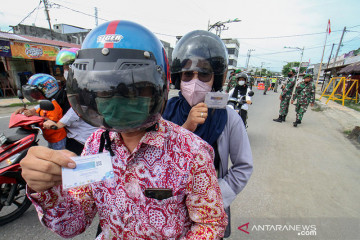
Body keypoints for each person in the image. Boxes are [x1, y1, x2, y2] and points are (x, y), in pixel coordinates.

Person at [20, 20, 227, 239]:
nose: (115, 99)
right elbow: (72, 224)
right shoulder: (95, 144)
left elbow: (210, 223)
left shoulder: (192, 152)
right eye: (103, 90)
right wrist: (46, 190)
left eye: (132, 89)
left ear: (160, 87)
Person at [162, 30, 253, 238]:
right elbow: (157, 157)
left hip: (209, 211)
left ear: (216, 79)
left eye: (203, 74)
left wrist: (213, 196)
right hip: (167, 207)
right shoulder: (166, 111)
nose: (195, 82)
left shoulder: (229, 119)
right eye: (188, 75)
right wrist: (187, 127)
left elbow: (243, 167)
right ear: (179, 78)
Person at [16, 73, 67, 150]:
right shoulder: (43, 103)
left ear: (46, 90)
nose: (33, 94)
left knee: (59, 157)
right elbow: (35, 111)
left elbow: (52, 122)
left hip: (57, 138)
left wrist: (37, 117)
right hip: (50, 137)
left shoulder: (53, 106)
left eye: (35, 92)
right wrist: (26, 111)